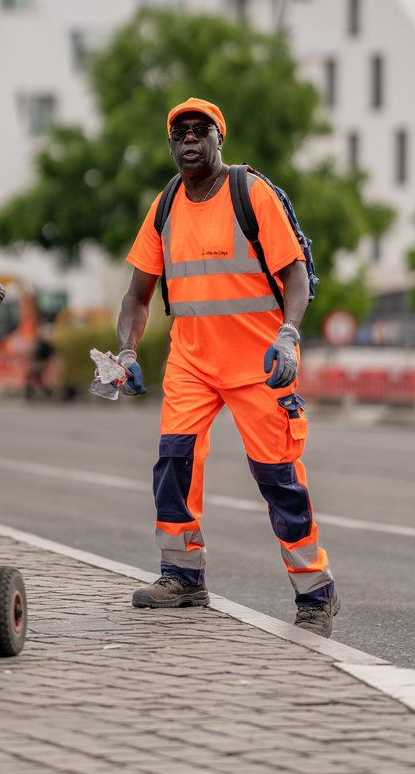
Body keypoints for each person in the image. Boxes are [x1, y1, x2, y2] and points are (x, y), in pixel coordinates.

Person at [116, 98, 339, 637]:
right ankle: (183, 576)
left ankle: (315, 592)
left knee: (277, 478)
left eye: (201, 132)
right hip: (192, 364)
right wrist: (125, 351)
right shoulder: (165, 206)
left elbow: (297, 277)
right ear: (171, 146)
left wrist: (288, 336)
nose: (190, 141)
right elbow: (137, 295)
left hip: (262, 364)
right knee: (174, 464)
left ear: (220, 140)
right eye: (180, 134)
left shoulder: (251, 193)